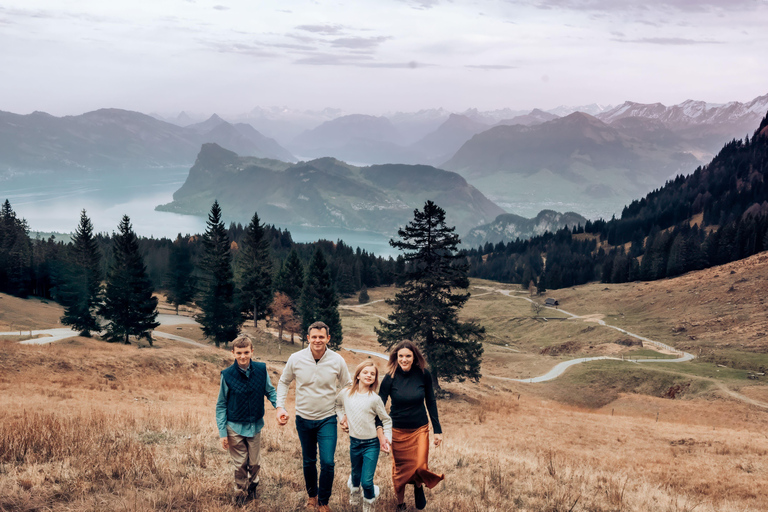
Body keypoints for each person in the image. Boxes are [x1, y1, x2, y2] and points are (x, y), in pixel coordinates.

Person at [276, 321, 352, 512]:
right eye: (314, 337)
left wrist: (345, 413)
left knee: (328, 462)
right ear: (308, 338)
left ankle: (323, 501)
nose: (318, 340)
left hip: (327, 418)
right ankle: (312, 496)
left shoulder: (337, 360)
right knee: (309, 461)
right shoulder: (296, 358)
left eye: (321, 337)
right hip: (303, 418)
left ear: (328, 338)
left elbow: (348, 386)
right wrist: (280, 407)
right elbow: (284, 382)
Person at [377, 340, 443, 511]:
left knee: (421, 465)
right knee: (399, 470)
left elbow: (431, 401)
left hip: (420, 428)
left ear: (414, 357)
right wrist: (380, 431)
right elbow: (379, 405)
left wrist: (437, 430)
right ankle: (400, 504)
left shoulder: (423, 374)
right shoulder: (390, 377)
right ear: (396, 357)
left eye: (408, 356)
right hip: (397, 430)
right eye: (401, 356)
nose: (404, 359)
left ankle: (418, 486)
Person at [215, 334, 278, 505]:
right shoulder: (227, 375)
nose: (242, 356)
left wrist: (279, 407)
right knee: (240, 464)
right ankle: (241, 493)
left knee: (254, 463)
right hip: (234, 427)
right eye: (239, 353)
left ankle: (254, 484)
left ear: (252, 351)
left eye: (246, 352)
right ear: (233, 353)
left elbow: (270, 391)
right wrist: (223, 433)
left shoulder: (261, 370)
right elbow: (221, 404)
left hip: (255, 426)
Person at [336, 361, 392, 512]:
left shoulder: (375, 399)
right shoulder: (346, 393)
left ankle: (369, 503)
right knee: (355, 475)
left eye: (372, 374)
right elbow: (337, 405)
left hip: (371, 444)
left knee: (366, 481)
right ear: (358, 375)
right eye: (365, 372)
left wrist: (387, 438)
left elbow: (386, 420)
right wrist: (342, 418)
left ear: (375, 379)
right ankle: (355, 493)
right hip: (354, 442)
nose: (369, 375)